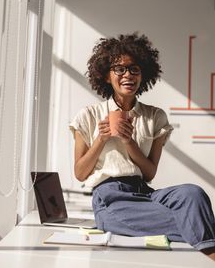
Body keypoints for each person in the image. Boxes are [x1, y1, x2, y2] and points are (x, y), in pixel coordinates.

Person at [69, 33, 215, 261]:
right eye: (119, 69)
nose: (128, 75)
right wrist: (101, 139)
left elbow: (149, 173)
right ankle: (210, 248)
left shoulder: (155, 116)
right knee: (191, 219)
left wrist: (129, 142)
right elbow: (79, 173)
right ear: (107, 76)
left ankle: (202, 236)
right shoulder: (88, 116)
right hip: (110, 199)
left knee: (192, 194)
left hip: (144, 193)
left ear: (143, 74)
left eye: (134, 69)